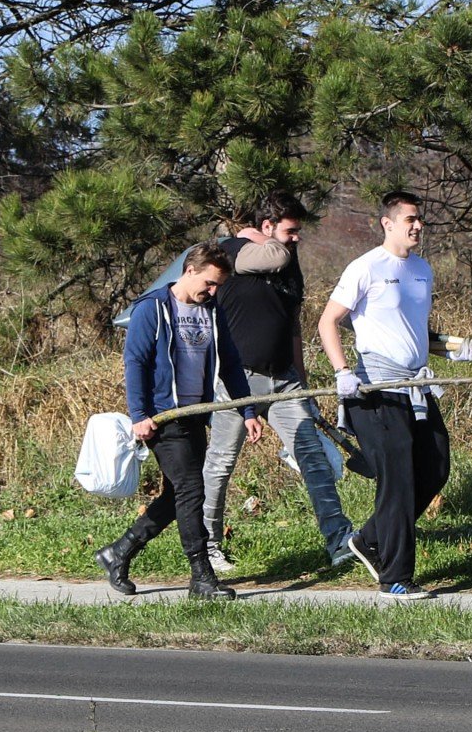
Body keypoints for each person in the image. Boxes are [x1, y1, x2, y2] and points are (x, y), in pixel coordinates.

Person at [316, 191, 472, 600]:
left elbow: (413, 331)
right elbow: (328, 321)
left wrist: (451, 348)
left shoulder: (422, 269)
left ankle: (369, 539)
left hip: (414, 385)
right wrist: (342, 372)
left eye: (420, 219)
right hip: (375, 389)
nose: (417, 226)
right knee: (398, 479)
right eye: (409, 220)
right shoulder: (366, 267)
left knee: (436, 466)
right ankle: (395, 578)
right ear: (387, 224)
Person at [95, 242, 262, 600]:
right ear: (189, 271)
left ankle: (118, 553)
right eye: (209, 283)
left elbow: (231, 364)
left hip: (194, 416)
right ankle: (201, 577)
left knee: (177, 496)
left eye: (218, 286)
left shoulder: (211, 311)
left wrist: (247, 410)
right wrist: (140, 415)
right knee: (191, 489)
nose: (213, 292)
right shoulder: (152, 308)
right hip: (163, 418)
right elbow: (135, 363)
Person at [201, 190, 355, 571]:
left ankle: (339, 540)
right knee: (220, 464)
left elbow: (294, 329)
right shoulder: (234, 251)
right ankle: (206, 547)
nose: (296, 239)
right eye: (290, 231)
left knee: (313, 458)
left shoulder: (289, 265)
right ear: (266, 226)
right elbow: (273, 254)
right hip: (239, 380)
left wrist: (303, 383)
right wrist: (253, 234)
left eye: (298, 231)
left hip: (284, 381)